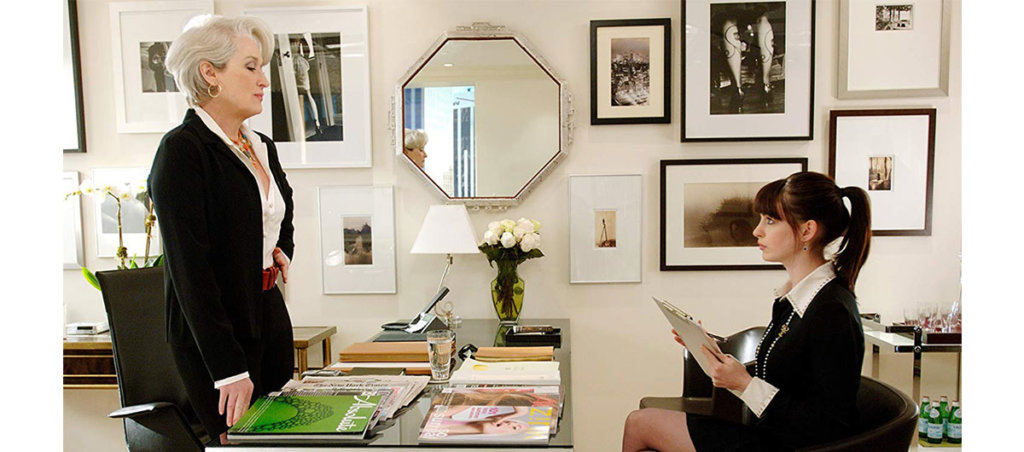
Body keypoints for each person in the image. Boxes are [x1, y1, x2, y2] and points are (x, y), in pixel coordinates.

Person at [622, 172, 872, 452]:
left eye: (770, 220)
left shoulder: (832, 310)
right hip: (767, 434)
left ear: (807, 231)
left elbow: (830, 424)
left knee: (639, 424)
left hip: (790, 446)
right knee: (640, 423)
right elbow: (786, 374)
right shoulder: (793, 300)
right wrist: (714, 353)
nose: (757, 231)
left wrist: (743, 383)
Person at [147, 15, 295, 444]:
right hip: (215, 340)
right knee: (238, 445)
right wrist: (228, 369)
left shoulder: (260, 145)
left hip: (268, 315)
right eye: (251, 67)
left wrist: (280, 247)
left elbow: (280, 212)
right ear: (209, 72)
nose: (264, 80)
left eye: (262, 68)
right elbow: (191, 273)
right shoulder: (182, 152)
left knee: (280, 442)